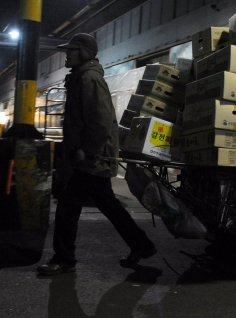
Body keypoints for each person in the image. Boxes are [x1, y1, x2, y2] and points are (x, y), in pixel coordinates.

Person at [38, 33, 156, 275]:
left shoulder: (89, 79)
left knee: (68, 206)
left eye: (71, 51)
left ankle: (64, 259)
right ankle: (142, 245)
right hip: (91, 156)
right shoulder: (81, 77)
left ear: (83, 52)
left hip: (92, 158)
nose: (66, 55)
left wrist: (88, 152)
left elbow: (101, 122)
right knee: (108, 204)